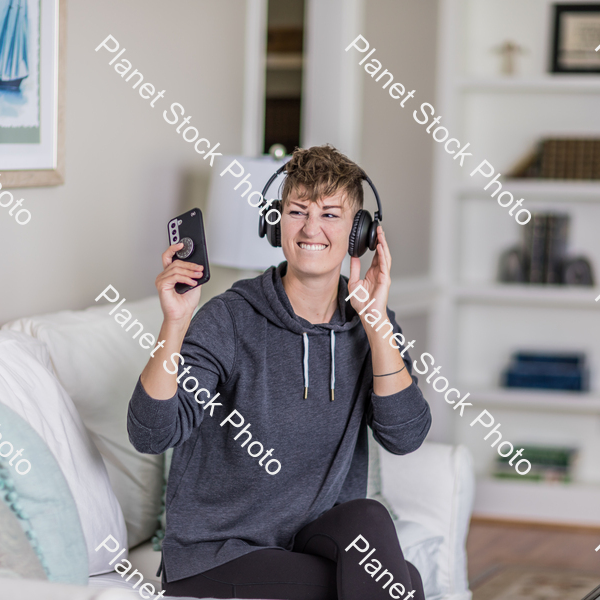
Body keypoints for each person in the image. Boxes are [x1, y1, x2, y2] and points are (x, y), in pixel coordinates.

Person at [128, 144, 432, 600]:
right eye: (297, 211)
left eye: (330, 214)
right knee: (399, 583)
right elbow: (151, 434)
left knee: (370, 521)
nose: (311, 228)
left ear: (360, 234)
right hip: (218, 553)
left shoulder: (370, 324)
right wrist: (175, 322)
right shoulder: (230, 318)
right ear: (276, 223)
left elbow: (404, 436)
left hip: (304, 541)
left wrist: (375, 323)